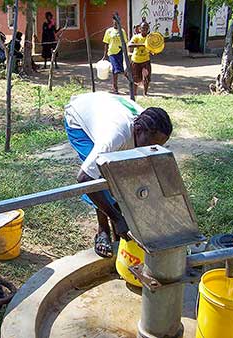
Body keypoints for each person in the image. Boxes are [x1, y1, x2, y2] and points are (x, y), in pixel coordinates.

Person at [64, 92, 172, 257]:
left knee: (120, 174)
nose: (151, 150)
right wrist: (117, 218)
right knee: (100, 176)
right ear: (138, 130)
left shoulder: (149, 126)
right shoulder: (114, 137)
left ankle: (117, 223)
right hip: (79, 119)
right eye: (150, 145)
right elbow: (84, 179)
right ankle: (103, 230)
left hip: (105, 108)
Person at [102, 15, 128, 94]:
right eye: (115, 22)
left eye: (117, 23)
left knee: (118, 70)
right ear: (113, 22)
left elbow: (124, 42)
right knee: (116, 69)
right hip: (111, 53)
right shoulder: (109, 31)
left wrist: (126, 53)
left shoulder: (122, 31)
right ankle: (115, 87)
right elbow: (106, 43)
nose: (116, 24)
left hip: (119, 52)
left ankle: (130, 82)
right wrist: (105, 55)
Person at [128, 21, 152, 96]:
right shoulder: (136, 37)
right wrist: (143, 44)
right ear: (139, 29)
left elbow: (153, 47)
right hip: (136, 61)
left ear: (148, 29)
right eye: (143, 28)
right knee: (135, 78)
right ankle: (134, 93)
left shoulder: (150, 37)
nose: (144, 29)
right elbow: (130, 45)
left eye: (146, 28)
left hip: (146, 61)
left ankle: (145, 93)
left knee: (147, 77)